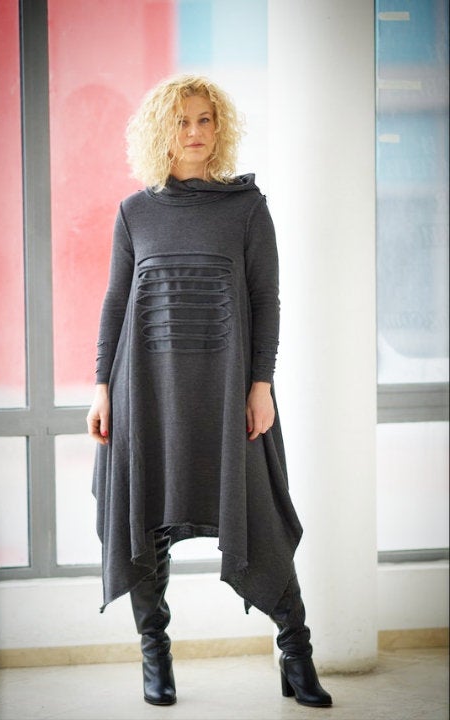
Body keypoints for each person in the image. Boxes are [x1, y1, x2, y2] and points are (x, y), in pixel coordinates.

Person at [87, 74, 332, 709]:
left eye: (204, 119)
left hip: (227, 395)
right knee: (146, 518)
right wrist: (101, 387)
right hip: (146, 392)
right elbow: (116, 301)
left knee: (259, 519)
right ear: (161, 131)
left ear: (218, 128)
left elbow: (266, 301)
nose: (193, 132)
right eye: (181, 120)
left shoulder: (246, 208)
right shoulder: (135, 212)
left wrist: (261, 384)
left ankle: (297, 652)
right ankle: (155, 655)